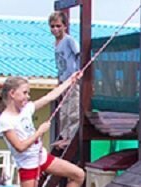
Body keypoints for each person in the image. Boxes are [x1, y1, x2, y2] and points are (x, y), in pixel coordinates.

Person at [49, 11, 81, 149]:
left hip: (72, 79)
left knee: (72, 108)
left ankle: (72, 136)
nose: (55, 29)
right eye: (52, 26)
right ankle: (64, 135)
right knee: (63, 110)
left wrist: (77, 73)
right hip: (63, 80)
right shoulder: (56, 43)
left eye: (58, 26)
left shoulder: (69, 40)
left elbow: (78, 55)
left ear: (64, 26)